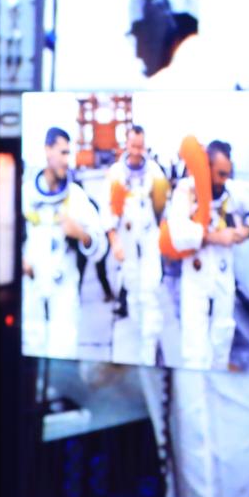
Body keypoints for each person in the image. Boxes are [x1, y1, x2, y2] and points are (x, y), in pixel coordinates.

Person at [166, 139, 249, 370]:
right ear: (207, 168)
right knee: (195, 351)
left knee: (222, 338)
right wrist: (215, 237)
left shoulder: (233, 192)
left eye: (228, 174)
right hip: (196, 277)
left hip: (224, 275)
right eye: (220, 174)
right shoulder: (186, 191)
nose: (224, 180)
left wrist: (244, 232)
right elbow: (178, 234)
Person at [22, 126, 104, 359]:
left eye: (69, 153)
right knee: (30, 349)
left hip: (64, 287)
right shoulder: (25, 194)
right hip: (31, 285)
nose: (67, 160)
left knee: (63, 352)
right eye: (63, 152)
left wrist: (81, 234)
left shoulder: (75, 196)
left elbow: (99, 247)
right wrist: (19, 260)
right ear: (47, 150)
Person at [103, 125, 168, 365]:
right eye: (133, 145)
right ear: (126, 144)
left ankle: (149, 349)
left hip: (149, 237)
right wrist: (114, 242)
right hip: (127, 238)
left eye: (141, 146)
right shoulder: (115, 174)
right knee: (132, 290)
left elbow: (164, 207)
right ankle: (139, 333)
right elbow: (107, 210)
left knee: (150, 290)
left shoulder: (155, 172)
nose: (137, 150)